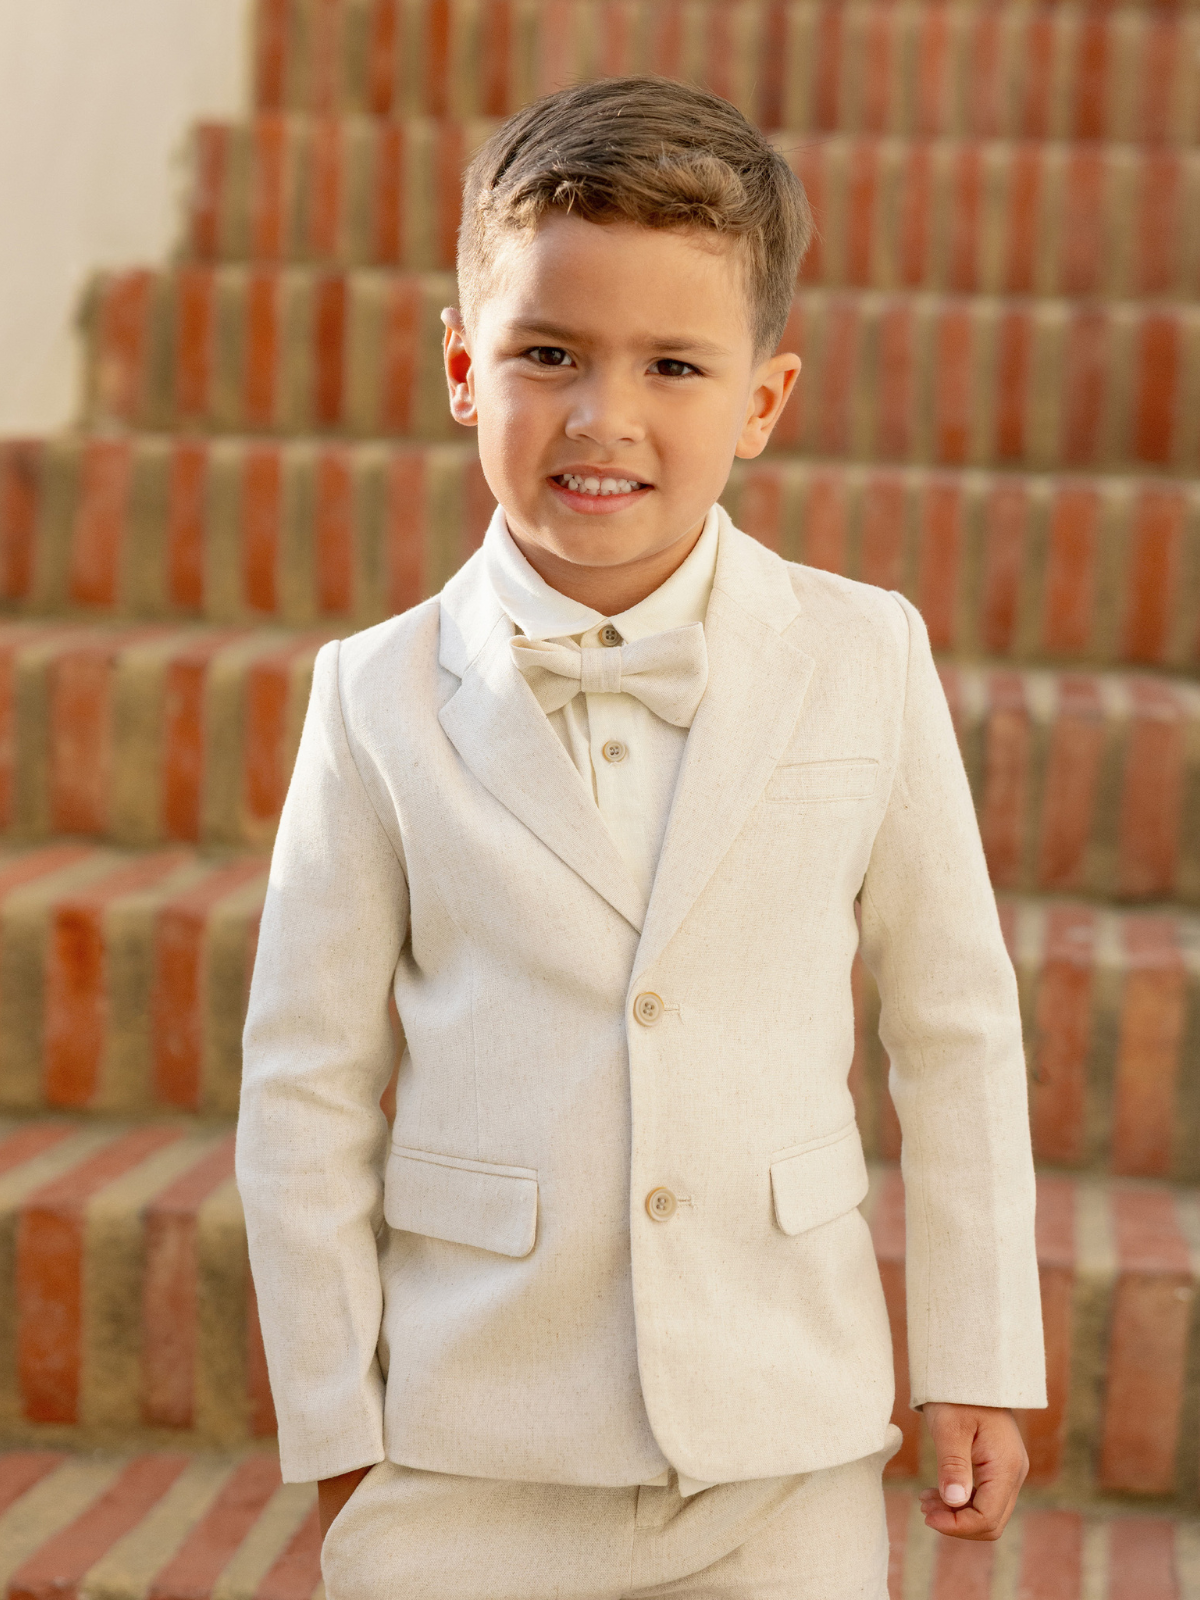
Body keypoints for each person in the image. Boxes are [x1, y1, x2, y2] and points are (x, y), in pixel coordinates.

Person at [235, 75, 1046, 1600]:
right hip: (466, 1440)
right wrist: (344, 1439)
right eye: (550, 354)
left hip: (779, 1435)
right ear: (466, 369)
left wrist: (979, 1352)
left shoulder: (867, 656)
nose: (605, 416)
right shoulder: (372, 695)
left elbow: (955, 1030)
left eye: (673, 364)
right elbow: (303, 1088)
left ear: (762, 400)